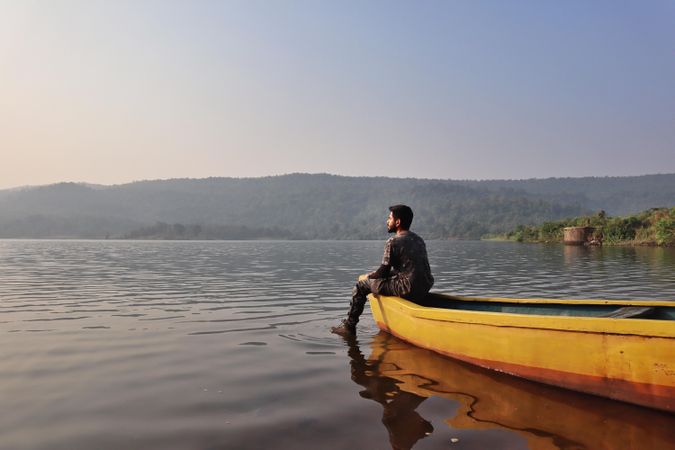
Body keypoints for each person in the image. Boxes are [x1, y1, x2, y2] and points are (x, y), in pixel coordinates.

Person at [331, 204, 434, 335]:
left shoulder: (393, 241)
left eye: (389, 218)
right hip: (425, 286)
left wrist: (370, 277)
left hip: (407, 287)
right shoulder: (419, 240)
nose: (387, 221)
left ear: (398, 222)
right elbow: (406, 269)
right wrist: (377, 274)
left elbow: (383, 272)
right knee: (375, 279)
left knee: (361, 286)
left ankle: (349, 327)